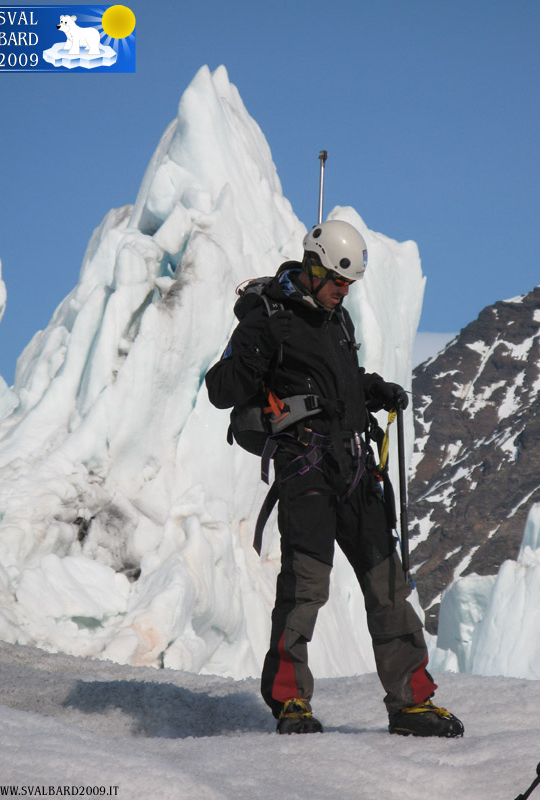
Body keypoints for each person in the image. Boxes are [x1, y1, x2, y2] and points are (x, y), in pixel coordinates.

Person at [205, 220, 463, 738]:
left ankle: (411, 701)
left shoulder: (336, 320)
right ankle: (289, 700)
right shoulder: (267, 318)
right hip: (305, 468)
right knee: (305, 586)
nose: (344, 291)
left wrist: (373, 389)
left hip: (353, 465)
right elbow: (220, 388)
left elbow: (333, 383)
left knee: (388, 585)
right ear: (314, 267)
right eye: (338, 281)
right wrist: (254, 352)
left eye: (350, 284)